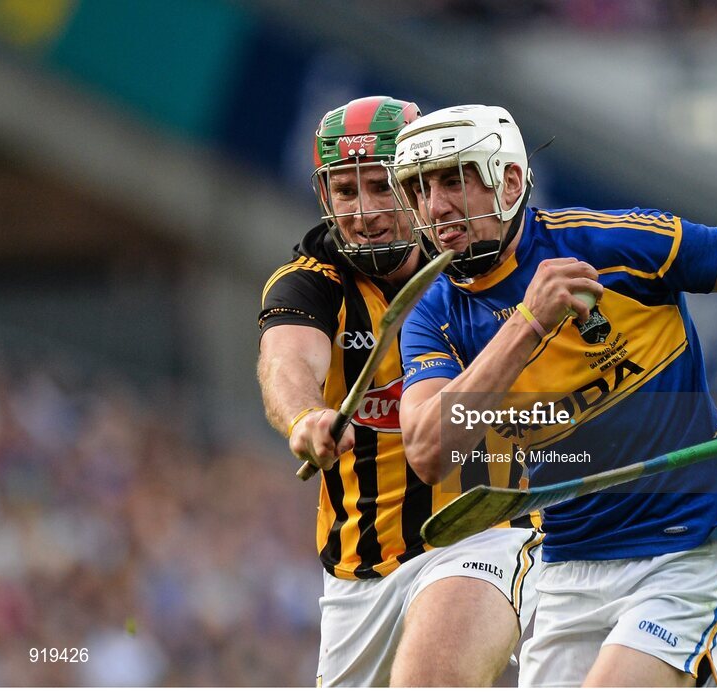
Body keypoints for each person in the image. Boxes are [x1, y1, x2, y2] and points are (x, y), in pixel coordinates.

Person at [390, 104, 717, 687]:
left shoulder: (609, 243)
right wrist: (528, 322)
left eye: (454, 180)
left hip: (683, 547)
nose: (436, 207)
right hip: (564, 562)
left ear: (508, 180)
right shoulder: (430, 316)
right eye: (420, 188)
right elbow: (431, 452)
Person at [256, 96, 542, 687]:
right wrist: (305, 417)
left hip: (482, 533)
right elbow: (285, 358)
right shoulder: (313, 282)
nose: (365, 213)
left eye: (382, 188)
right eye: (345, 191)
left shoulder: (483, 262)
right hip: (358, 571)